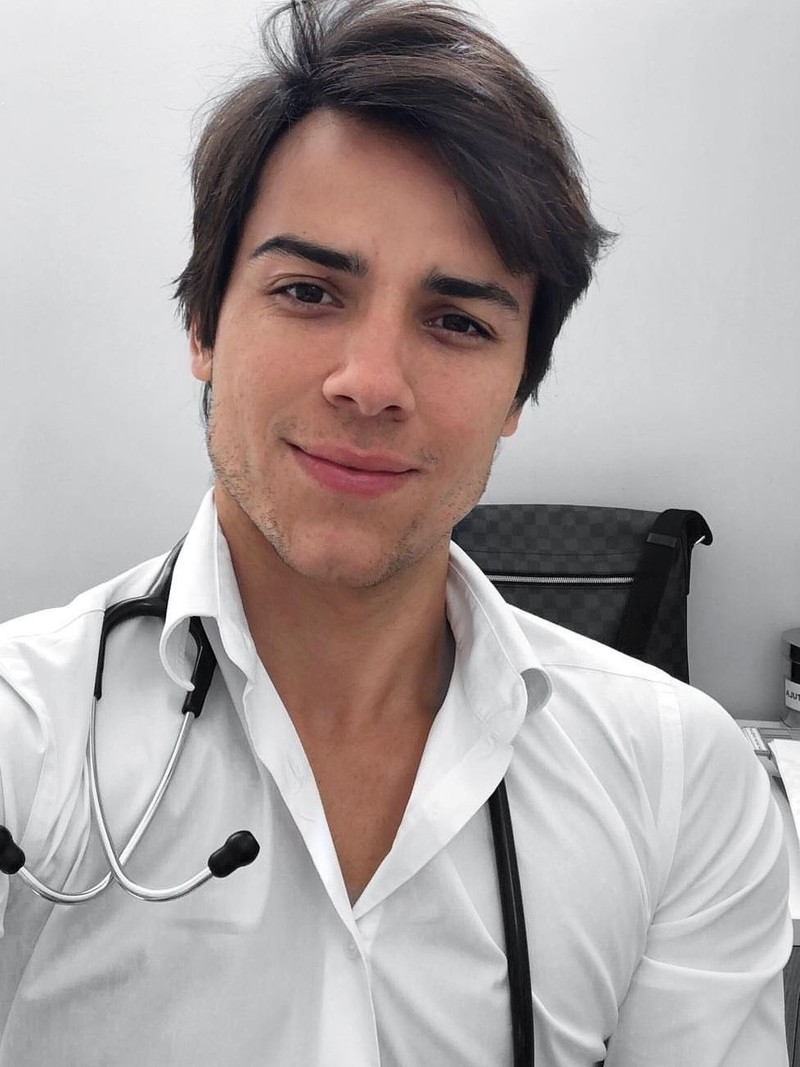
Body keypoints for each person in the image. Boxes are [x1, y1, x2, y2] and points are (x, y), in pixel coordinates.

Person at [0, 0, 791, 1063]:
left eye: (456, 320)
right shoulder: (27, 737)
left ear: (518, 390)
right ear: (202, 325)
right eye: (308, 290)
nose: (371, 382)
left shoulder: (679, 780)